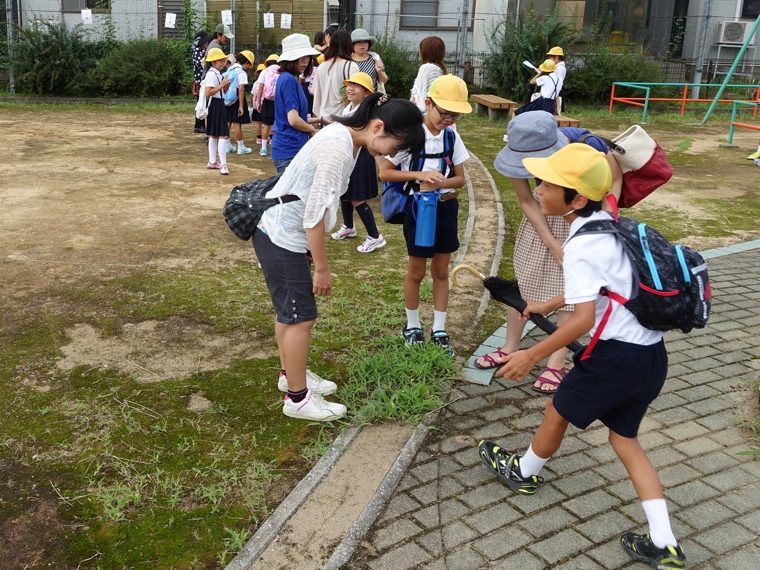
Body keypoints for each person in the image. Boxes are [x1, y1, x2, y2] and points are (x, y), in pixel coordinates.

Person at [479, 143, 686, 570]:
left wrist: (532, 355)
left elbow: (583, 319)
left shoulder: (579, 245)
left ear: (575, 199)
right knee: (623, 439)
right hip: (650, 358)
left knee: (557, 411)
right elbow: (598, 288)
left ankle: (524, 472)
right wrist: (549, 304)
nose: (538, 189)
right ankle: (664, 541)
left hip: (614, 360)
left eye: (548, 184)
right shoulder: (606, 220)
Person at [253, 92, 425, 421]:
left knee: (289, 312)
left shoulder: (347, 136)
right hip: (283, 235)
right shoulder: (338, 149)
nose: (393, 153)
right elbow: (314, 216)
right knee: (300, 316)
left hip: (279, 229)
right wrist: (322, 268)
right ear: (378, 127)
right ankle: (298, 399)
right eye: (396, 145)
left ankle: (291, 375)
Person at [478, 113, 623, 393]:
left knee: (570, 288)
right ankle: (510, 345)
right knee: (527, 277)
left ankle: (556, 363)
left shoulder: (586, 148)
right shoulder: (517, 153)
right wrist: (552, 242)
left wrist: (603, 219)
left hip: (581, 215)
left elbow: (614, 178)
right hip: (543, 213)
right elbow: (526, 198)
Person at [379, 75, 472, 356]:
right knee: (417, 271)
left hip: (445, 207)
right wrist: (420, 175)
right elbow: (385, 171)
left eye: (455, 114)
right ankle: (413, 326)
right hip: (418, 209)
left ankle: (440, 328)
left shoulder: (452, 136)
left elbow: (460, 180)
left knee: (441, 270)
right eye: (445, 112)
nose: (449, 118)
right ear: (428, 103)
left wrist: (440, 183)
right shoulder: (410, 134)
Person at [331, 72, 385, 253]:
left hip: (360, 156)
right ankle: (348, 226)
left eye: (357, 86)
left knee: (356, 197)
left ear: (367, 93)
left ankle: (375, 236)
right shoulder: (349, 108)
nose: (351, 88)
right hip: (348, 155)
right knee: (344, 191)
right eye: (349, 85)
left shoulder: (365, 110)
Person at [271, 34, 322, 174]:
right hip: (289, 150)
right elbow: (293, 120)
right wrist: (312, 130)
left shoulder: (288, 78)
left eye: (307, 57)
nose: (305, 61)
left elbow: (296, 118)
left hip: (289, 149)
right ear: (290, 59)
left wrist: (319, 120)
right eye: (301, 57)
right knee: (293, 196)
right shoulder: (289, 80)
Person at [313, 30, 359, 121]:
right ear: (349, 45)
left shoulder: (321, 67)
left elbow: (316, 92)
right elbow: (357, 93)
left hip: (324, 119)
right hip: (344, 118)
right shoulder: (351, 66)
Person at [203, 48, 232, 175]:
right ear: (213, 62)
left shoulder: (215, 73)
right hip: (216, 105)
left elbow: (217, 91)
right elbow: (208, 92)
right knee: (223, 135)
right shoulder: (211, 74)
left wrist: (224, 86)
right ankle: (223, 164)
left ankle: (213, 161)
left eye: (224, 60)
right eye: (220, 60)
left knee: (214, 134)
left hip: (217, 104)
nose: (223, 62)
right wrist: (222, 85)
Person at [225, 51, 256, 155]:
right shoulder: (241, 73)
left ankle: (227, 145)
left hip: (227, 99)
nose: (248, 67)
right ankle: (241, 147)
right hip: (236, 99)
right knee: (237, 124)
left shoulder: (229, 69)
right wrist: (241, 106)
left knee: (228, 122)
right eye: (249, 65)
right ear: (246, 62)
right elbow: (241, 90)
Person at [410, 36, 447, 113]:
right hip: (435, 113)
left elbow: (418, 96)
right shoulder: (439, 69)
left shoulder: (427, 68)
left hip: (424, 116)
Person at [256, 54, 280, 156]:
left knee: (266, 125)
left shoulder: (265, 72)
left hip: (267, 100)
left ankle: (263, 149)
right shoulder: (281, 71)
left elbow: (261, 87)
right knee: (277, 124)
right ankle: (275, 147)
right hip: (278, 101)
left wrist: (258, 102)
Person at [192, 31, 209, 133]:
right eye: (205, 41)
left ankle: (201, 124)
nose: (207, 43)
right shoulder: (198, 51)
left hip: (203, 80)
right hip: (200, 81)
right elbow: (201, 65)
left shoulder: (202, 50)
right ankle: (198, 125)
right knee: (201, 102)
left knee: (203, 102)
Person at [546, 46, 567, 112]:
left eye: (550, 58)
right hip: (554, 91)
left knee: (555, 113)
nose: (549, 60)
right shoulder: (556, 67)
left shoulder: (560, 68)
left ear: (557, 57)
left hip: (557, 92)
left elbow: (557, 82)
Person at [250, 63, 266, 144]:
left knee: (258, 122)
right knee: (268, 122)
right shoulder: (267, 82)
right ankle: (270, 138)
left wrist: (252, 104)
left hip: (257, 105)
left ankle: (259, 138)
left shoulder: (255, 83)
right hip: (265, 104)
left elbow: (252, 95)